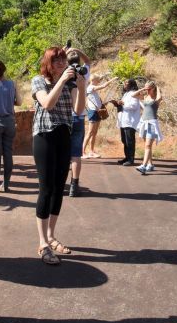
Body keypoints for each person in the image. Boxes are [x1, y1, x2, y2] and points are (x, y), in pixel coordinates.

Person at [31, 46, 86, 265]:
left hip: (64, 135)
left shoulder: (70, 82)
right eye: (56, 61)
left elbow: (79, 110)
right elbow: (47, 103)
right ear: (48, 64)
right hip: (44, 136)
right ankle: (42, 242)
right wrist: (62, 81)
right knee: (46, 189)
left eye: (63, 60)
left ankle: (52, 236)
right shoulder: (38, 81)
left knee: (58, 190)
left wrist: (81, 87)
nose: (61, 63)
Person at [0, 60, 19, 192]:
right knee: (8, 153)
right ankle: (6, 185)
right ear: (4, 70)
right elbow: (19, 101)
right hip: (10, 121)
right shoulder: (12, 84)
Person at [66, 47, 90, 197]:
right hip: (79, 118)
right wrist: (77, 50)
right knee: (76, 153)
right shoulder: (83, 73)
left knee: (62, 153)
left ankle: (61, 183)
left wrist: (64, 51)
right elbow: (88, 61)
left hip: (64, 117)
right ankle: (74, 185)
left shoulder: (63, 73)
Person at [82, 73, 116, 159]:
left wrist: (106, 74)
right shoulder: (91, 87)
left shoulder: (93, 87)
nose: (99, 82)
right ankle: (82, 152)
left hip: (97, 111)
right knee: (90, 132)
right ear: (93, 80)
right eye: (97, 80)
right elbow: (104, 86)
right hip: (93, 111)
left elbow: (100, 78)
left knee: (94, 133)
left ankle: (91, 151)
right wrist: (113, 79)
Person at [136, 81, 163, 175]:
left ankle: (143, 166)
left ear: (153, 89)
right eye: (146, 89)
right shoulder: (145, 97)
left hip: (152, 123)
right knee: (147, 146)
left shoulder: (155, 98)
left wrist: (158, 88)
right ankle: (150, 164)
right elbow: (134, 95)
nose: (146, 91)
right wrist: (143, 89)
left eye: (148, 89)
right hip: (144, 123)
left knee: (148, 145)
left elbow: (160, 98)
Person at [116, 80, 141, 167]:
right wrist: (118, 103)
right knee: (124, 140)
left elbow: (133, 106)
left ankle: (131, 159)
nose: (124, 85)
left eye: (126, 83)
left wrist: (123, 103)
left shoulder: (134, 93)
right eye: (124, 83)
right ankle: (127, 157)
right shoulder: (126, 93)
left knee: (130, 141)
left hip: (130, 121)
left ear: (131, 85)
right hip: (124, 121)